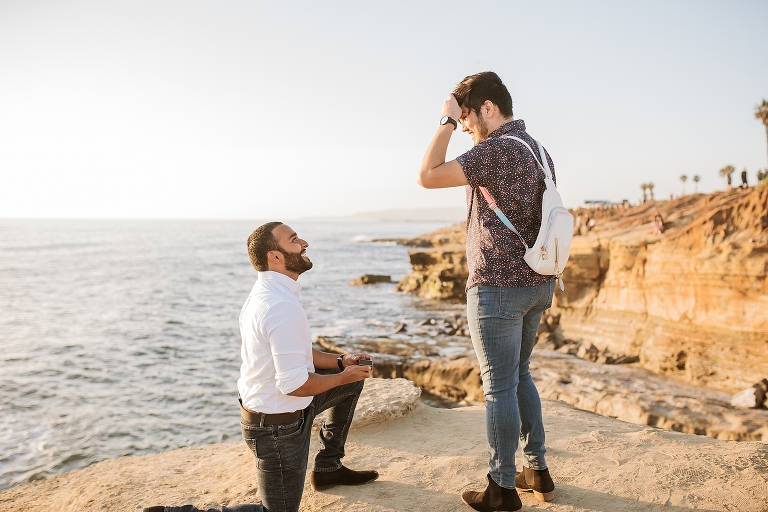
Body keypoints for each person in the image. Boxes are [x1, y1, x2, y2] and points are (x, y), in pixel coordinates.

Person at [145, 222, 378, 512]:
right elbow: (294, 385)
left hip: (285, 411)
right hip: (278, 428)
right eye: (294, 240)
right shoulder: (280, 305)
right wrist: (341, 376)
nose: (304, 243)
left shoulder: (271, 292)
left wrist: (343, 364)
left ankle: (328, 467)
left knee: (353, 380)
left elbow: (301, 354)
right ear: (276, 256)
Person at [417, 71, 555, 512]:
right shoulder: (537, 149)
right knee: (520, 376)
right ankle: (537, 469)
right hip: (538, 284)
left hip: (498, 287)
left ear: (488, 108)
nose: (465, 129)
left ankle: (501, 487)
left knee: (498, 387)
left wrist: (442, 120)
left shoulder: (495, 149)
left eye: (467, 119)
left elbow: (427, 174)